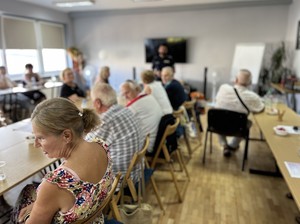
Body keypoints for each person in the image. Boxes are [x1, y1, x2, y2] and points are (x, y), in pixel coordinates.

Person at [12, 97, 114, 224]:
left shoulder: (55, 183)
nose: (36, 144)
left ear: (67, 135)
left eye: (41, 138)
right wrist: (40, 204)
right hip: (95, 218)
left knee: (26, 192)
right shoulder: (101, 146)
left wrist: (28, 216)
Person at [85, 83, 143, 184]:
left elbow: (84, 147)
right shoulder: (125, 110)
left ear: (98, 103)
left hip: (121, 181)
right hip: (137, 172)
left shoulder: (106, 121)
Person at [215, 69, 264, 157]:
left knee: (219, 116)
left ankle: (224, 145)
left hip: (218, 125)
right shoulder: (253, 97)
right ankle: (233, 145)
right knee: (248, 122)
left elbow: (217, 100)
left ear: (235, 79)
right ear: (250, 83)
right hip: (238, 128)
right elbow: (260, 108)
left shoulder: (223, 88)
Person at [120, 80, 163, 153]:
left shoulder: (134, 106)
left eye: (127, 92)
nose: (125, 97)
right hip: (158, 140)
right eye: (123, 94)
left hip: (147, 146)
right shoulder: (149, 97)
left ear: (136, 89)